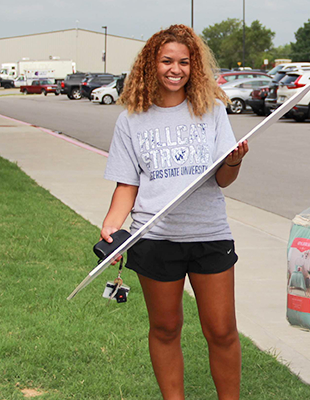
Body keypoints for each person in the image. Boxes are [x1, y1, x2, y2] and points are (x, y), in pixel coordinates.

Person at [99, 24, 248, 400]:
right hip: (154, 238)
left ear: (194, 67)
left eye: (184, 62)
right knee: (165, 329)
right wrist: (112, 227)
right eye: (167, 60)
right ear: (152, 63)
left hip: (209, 234)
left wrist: (234, 162)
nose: (175, 69)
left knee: (222, 330)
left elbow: (224, 180)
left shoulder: (212, 111)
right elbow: (127, 186)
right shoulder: (131, 119)